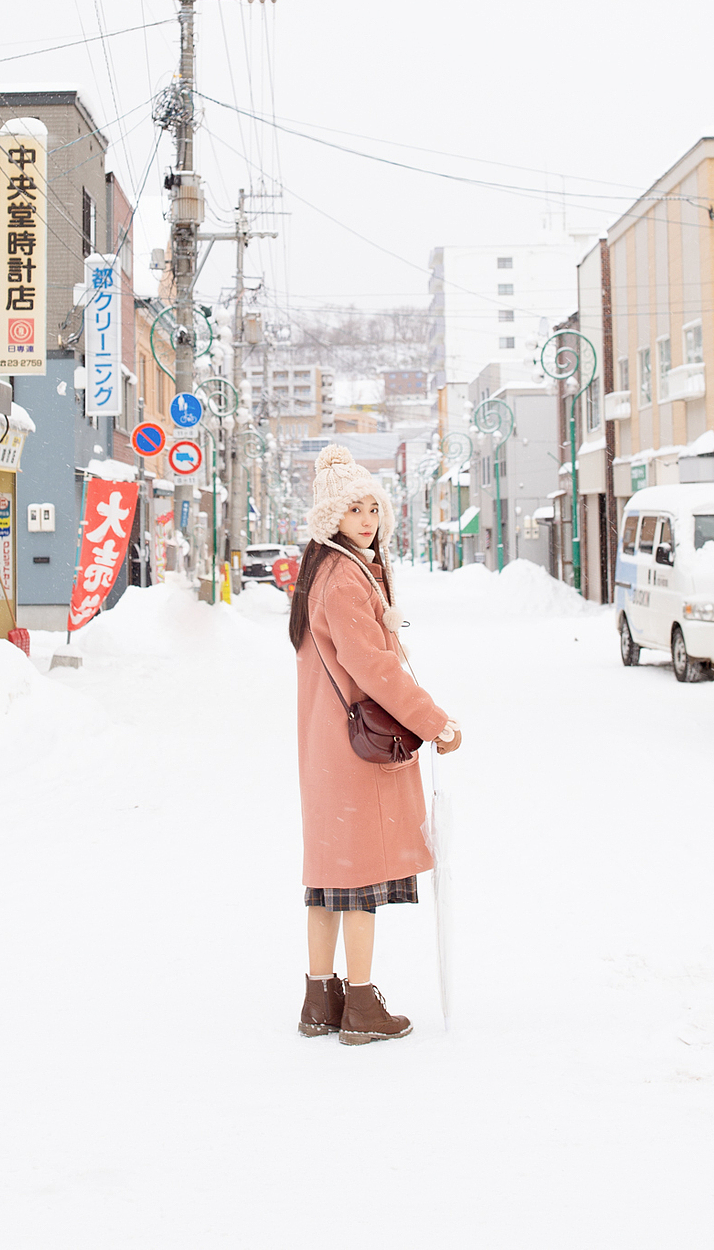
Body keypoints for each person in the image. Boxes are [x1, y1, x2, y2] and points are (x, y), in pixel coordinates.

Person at [291, 442, 461, 1045]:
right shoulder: (344, 579)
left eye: (373, 508)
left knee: (329, 880)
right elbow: (376, 672)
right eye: (354, 509)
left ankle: (320, 999)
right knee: (357, 883)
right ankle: (360, 1007)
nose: (367, 519)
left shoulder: (329, 571)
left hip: (327, 749)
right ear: (331, 517)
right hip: (353, 753)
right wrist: (435, 721)